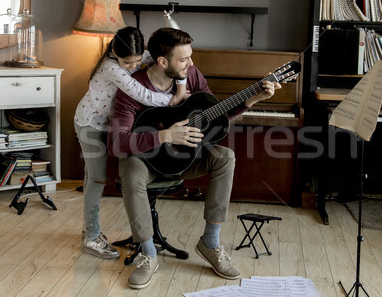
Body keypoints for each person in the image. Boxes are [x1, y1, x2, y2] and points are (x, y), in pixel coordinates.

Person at [108, 27, 281, 289]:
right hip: (147, 163)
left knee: (225, 157)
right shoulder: (132, 88)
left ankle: (210, 243)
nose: (191, 63)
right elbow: (115, 143)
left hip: (185, 158)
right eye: (183, 59)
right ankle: (148, 253)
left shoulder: (193, 75)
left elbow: (212, 118)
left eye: (191, 56)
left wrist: (252, 99)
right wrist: (165, 136)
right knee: (129, 167)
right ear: (162, 61)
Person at [74, 26, 188, 259]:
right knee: (96, 179)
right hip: (90, 125)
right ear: (115, 52)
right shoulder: (111, 67)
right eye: (128, 63)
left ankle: (89, 228)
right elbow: (143, 95)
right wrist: (175, 99)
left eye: (138, 61)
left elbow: (163, 56)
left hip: (107, 125)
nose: (134, 67)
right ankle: (92, 237)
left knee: (92, 177)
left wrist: (181, 79)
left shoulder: (134, 57)